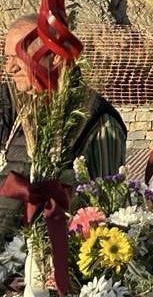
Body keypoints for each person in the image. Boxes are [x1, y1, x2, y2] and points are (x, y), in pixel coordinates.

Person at [0, 14, 126, 206]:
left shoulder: (97, 121)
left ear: (56, 57)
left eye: (19, 57)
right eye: (7, 58)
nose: (10, 68)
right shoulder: (17, 106)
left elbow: (106, 204)